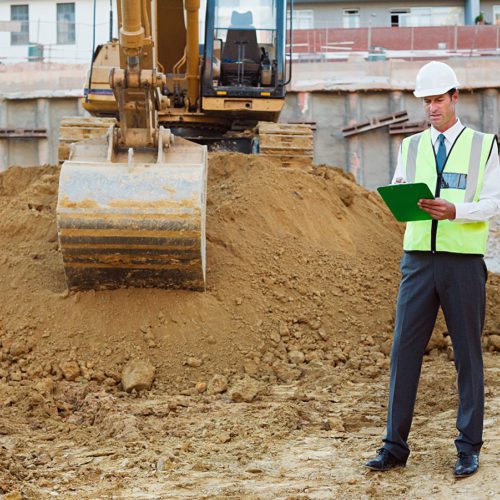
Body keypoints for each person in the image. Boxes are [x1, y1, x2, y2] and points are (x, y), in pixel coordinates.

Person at [365, 61, 500, 477]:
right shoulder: (411, 147)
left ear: (455, 97)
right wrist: (403, 204)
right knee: (404, 352)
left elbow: (495, 201)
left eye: (439, 100)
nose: (432, 108)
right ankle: (394, 446)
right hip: (418, 262)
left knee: (467, 356)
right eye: (426, 102)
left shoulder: (485, 145)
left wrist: (456, 210)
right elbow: (400, 188)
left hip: (462, 264)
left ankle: (468, 447)